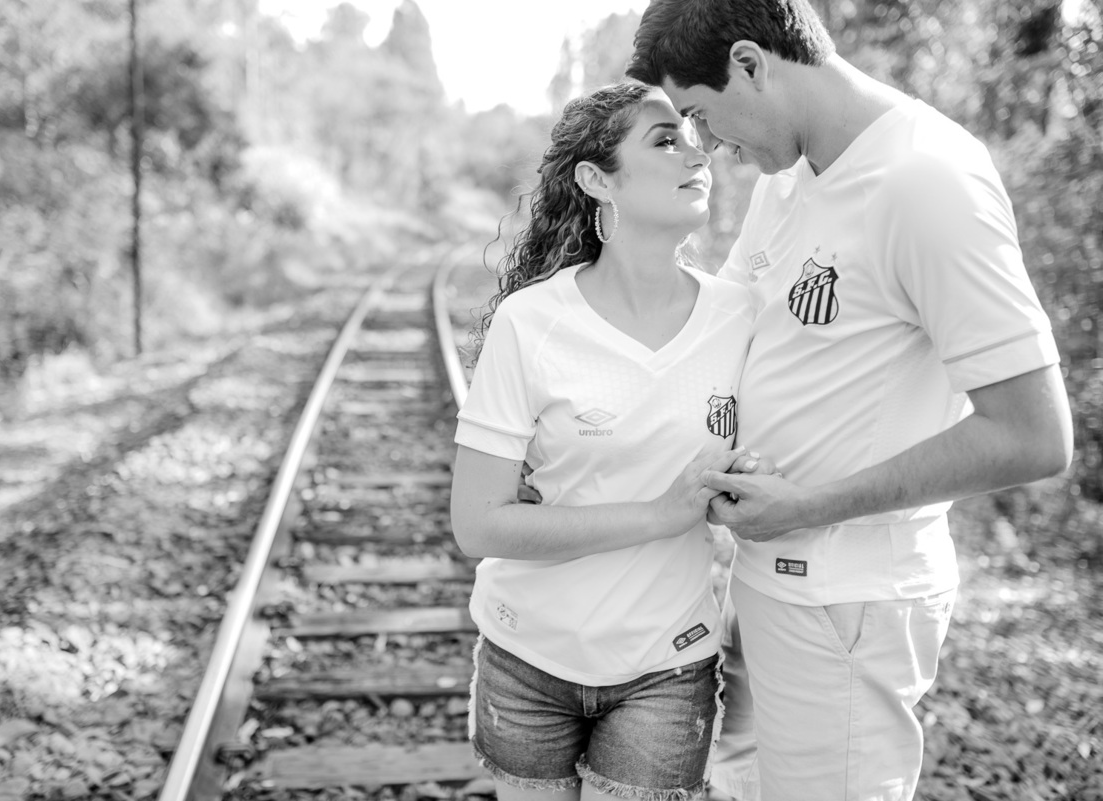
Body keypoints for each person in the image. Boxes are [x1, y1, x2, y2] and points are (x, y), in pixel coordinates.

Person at [625, 2, 1075, 800]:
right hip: (766, 582)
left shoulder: (926, 180)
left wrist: (810, 504)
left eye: (700, 115)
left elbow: (1035, 434)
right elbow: (724, 329)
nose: (709, 147)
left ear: (751, 63)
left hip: (848, 600)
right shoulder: (793, 172)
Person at [449, 82, 773, 801]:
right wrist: (661, 513)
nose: (699, 152)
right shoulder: (531, 323)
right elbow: (477, 522)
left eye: (694, 135)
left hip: (668, 662)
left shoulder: (740, 317)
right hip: (527, 659)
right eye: (665, 139)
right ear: (598, 179)